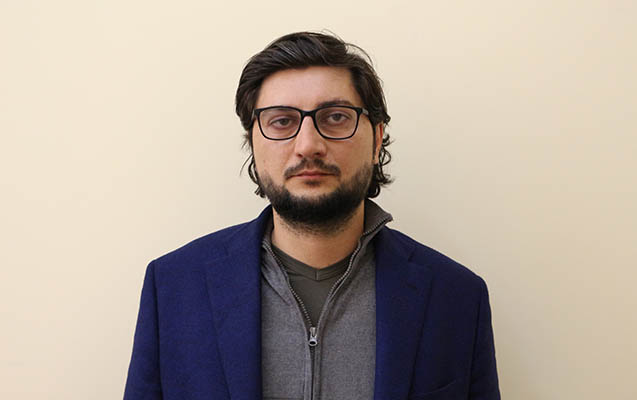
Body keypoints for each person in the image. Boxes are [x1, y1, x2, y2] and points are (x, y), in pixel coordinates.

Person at [124, 31, 500, 400]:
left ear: (377, 139)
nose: (308, 145)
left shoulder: (456, 297)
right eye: (282, 121)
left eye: (335, 117)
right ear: (252, 142)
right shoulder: (174, 288)